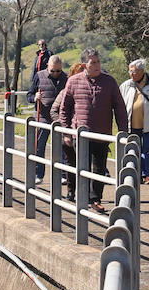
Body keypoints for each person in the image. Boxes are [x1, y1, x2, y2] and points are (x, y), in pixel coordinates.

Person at [60, 48, 127, 213]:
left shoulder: (109, 82)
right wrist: (67, 132)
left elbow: (119, 108)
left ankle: (95, 199)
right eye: (93, 62)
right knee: (83, 167)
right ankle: (83, 198)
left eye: (98, 61)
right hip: (80, 134)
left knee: (99, 168)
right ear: (84, 65)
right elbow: (64, 109)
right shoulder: (73, 81)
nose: (97, 65)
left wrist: (124, 132)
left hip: (102, 134)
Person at [24, 54, 67, 183]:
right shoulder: (39, 76)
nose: (55, 73)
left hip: (59, 119)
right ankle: (38, 174)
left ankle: (63, 175)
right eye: (52, 70)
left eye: (58, 71)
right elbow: (29, 95)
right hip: (42, 118)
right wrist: (34, 98)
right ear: (47, 67)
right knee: (39, 147)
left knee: (63, 148)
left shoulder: (66, 78)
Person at [51, 62, 86, 200]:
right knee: (72, 163)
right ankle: (71, 191)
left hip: (84, 134)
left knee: (86, 165)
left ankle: (87, 195)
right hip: (69, 135)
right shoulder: (64, 92)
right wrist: (64, 126)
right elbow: (54, 110)